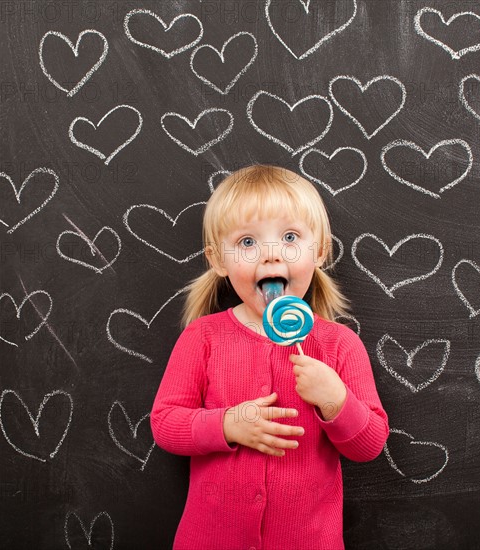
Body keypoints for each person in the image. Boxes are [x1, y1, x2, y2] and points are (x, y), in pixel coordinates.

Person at [150, 164, 389, 550]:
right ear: (218, 260)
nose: (271, 256)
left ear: (320, 250)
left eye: (290, 237)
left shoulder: (340, 345)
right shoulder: (203, 337)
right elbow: (164, 423)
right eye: (247, 243)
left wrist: (334, 399)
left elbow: (370, 444)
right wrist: (229, 424)